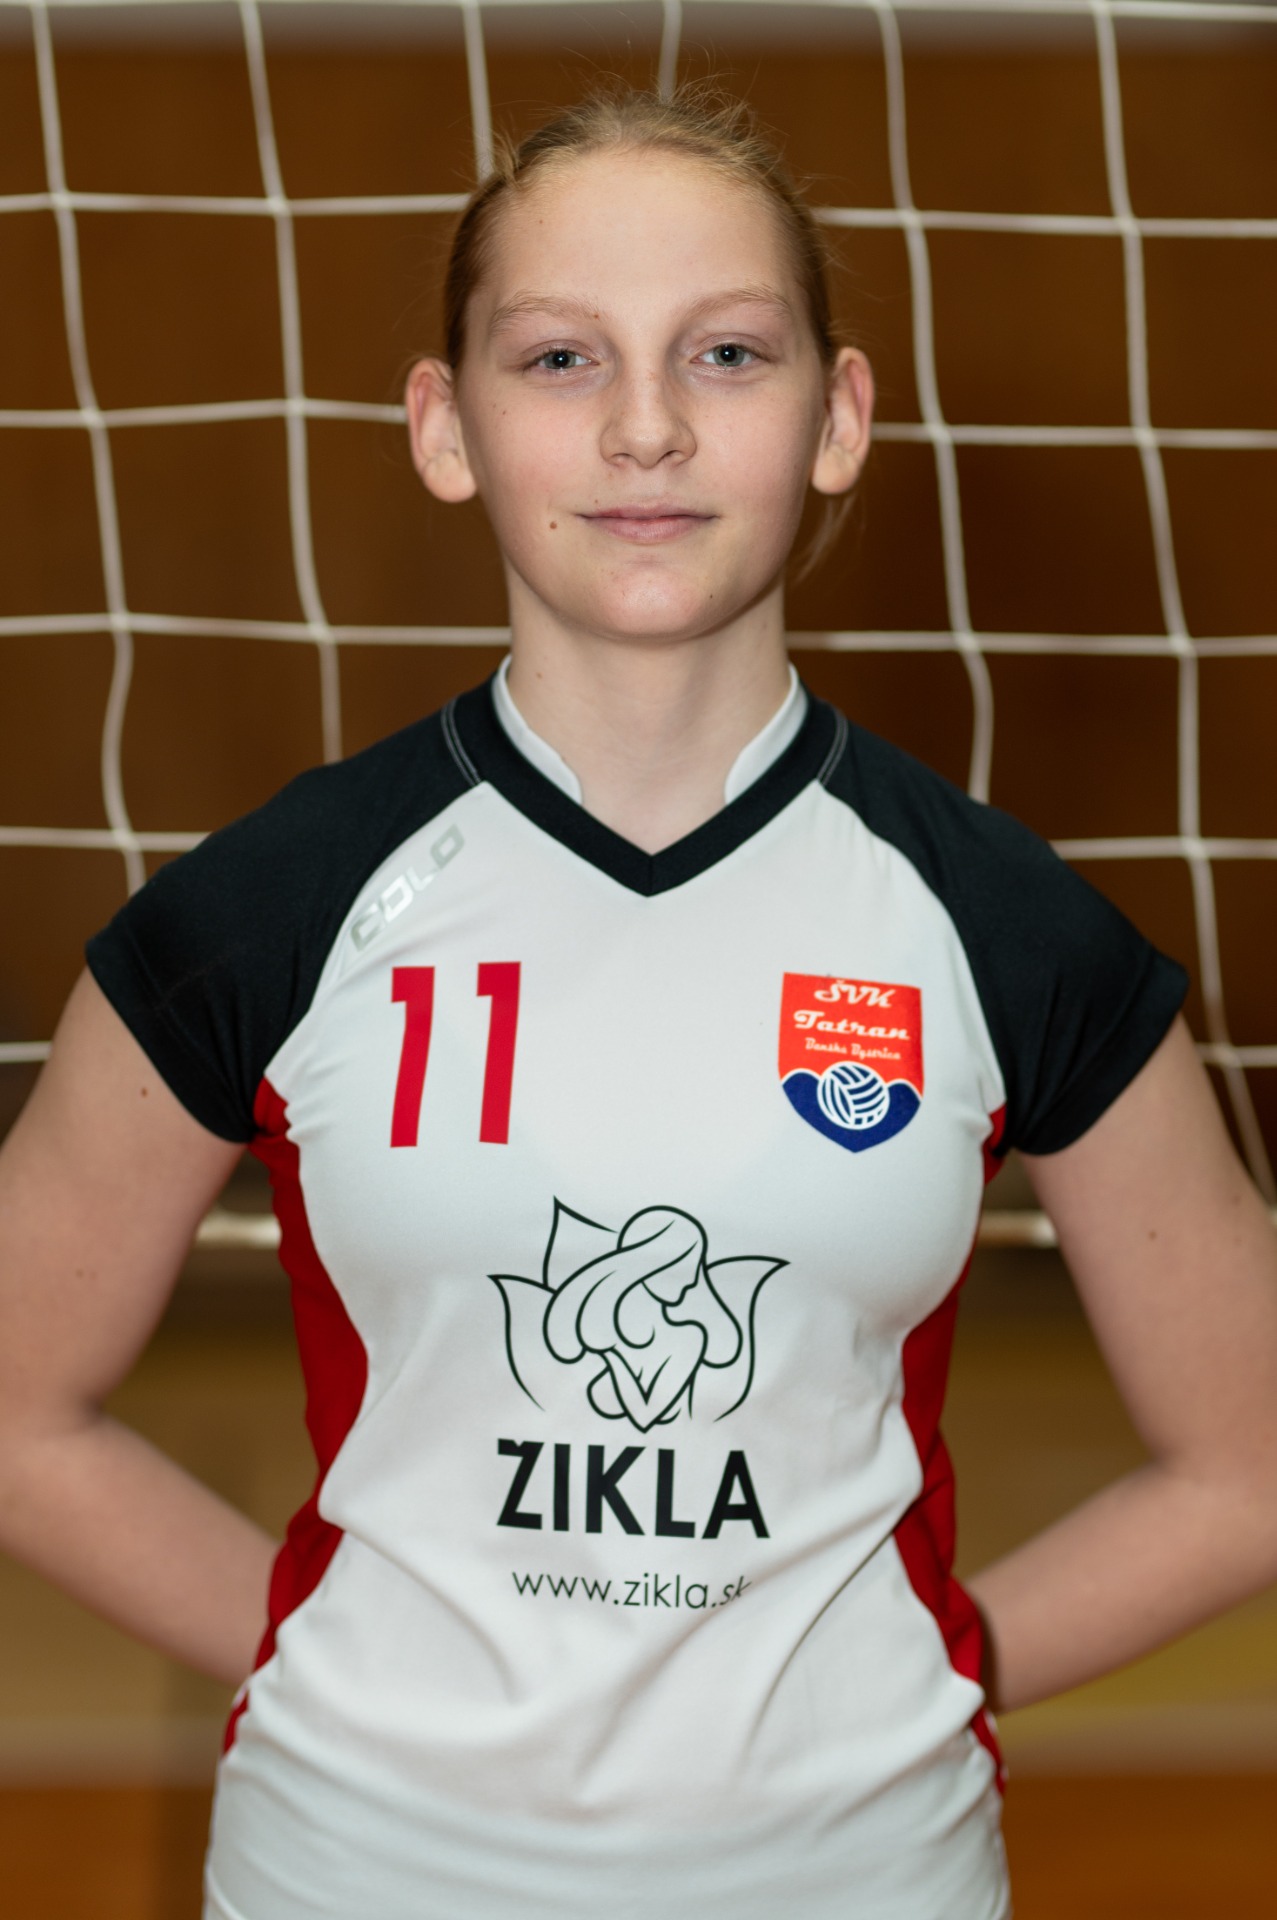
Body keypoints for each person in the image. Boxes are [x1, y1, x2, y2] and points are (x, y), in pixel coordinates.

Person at [2, 84, 1276, 1920]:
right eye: (558, 359)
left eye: (726, 353)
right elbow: (19, 1411)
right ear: (443, 430)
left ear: (839, 418)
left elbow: (1246, 1468)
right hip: (355, 1875)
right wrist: (333, 1648)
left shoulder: (997, 926)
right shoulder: (276, 907)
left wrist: (919, 1660)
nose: (646, 426)